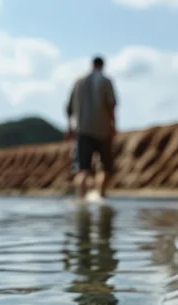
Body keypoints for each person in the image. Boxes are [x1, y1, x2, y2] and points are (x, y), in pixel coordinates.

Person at [66, 56, 117, 199]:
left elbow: (69, 108)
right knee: (107, 168)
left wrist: (69, 127)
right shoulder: (106, 82)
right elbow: (111, 106)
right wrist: (114, 126)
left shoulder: (78, 82)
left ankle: (81, 200)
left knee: (83, 169)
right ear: (102, 66)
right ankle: (101, 194)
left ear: (92, 65)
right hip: (103, 130)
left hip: (82, 130)